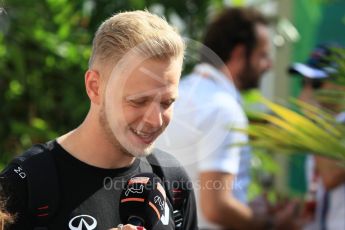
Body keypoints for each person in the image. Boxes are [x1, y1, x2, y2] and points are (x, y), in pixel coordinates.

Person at [0, 10, 198, 230]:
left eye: (167, 102)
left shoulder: (171, 180)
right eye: (138, 101)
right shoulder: (26, 183)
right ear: (94, 87)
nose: (155, 120)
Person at [157, 7, 298, 230]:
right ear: (240, 54)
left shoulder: (179, 94)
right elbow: (216, 207)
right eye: (263, 55)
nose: (268, 65)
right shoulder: (224, 108)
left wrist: (249, 207)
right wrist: (273, 224)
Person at [289, 43, 345, 230]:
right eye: (303, 83)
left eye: (316, 83)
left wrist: (314, 120)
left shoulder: (319, 128)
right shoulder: (326, 128)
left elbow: (331, 176)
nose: (307, 91)